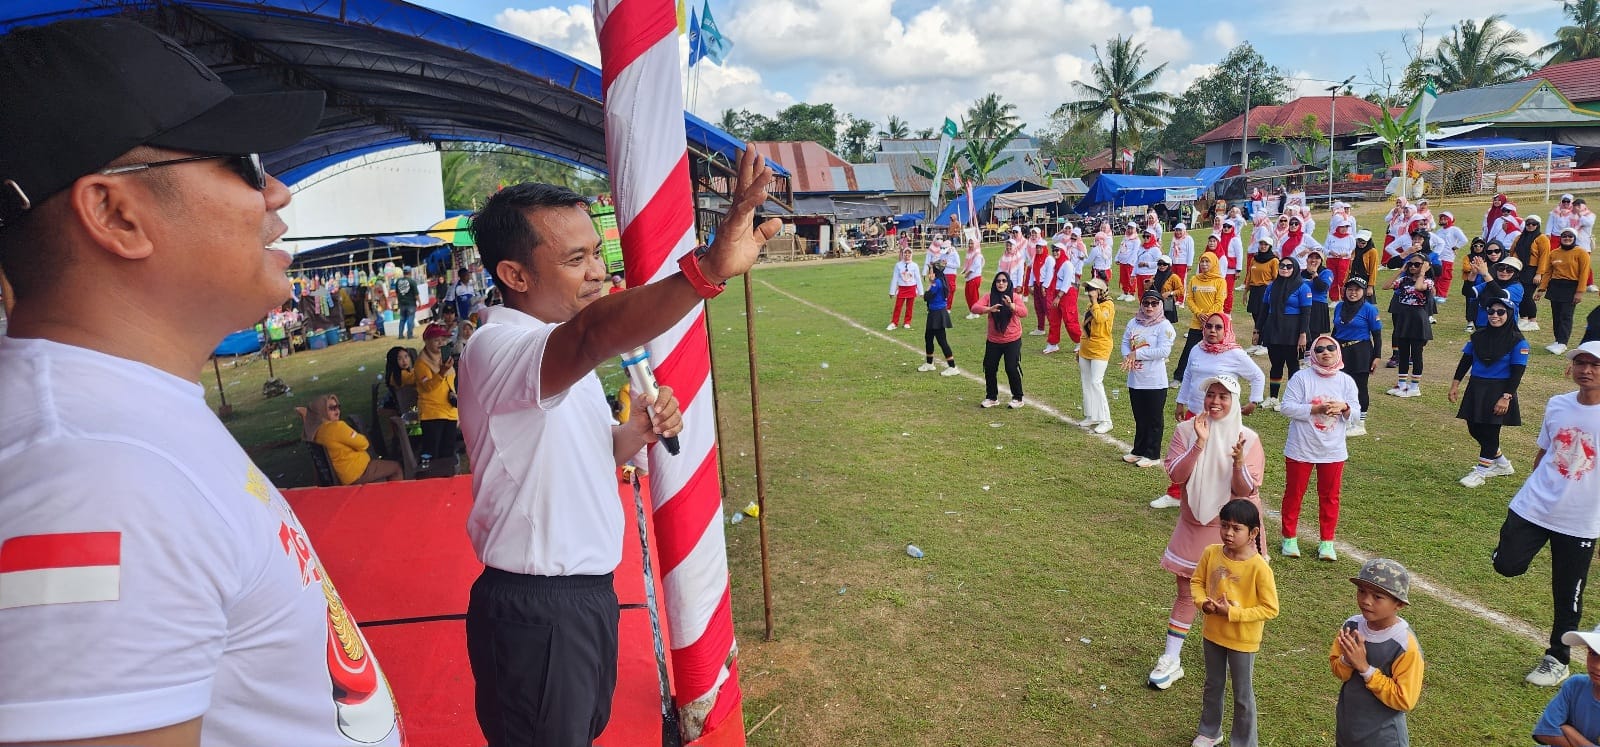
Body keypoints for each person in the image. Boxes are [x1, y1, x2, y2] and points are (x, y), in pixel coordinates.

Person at [0, 17, 401, 745]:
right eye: (244, 162)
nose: (276, 191)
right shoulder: (93, 475)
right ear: (116, 213)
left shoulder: (120, 417)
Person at [457, 148, 776, 743]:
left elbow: (577, 455)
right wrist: (706, 268)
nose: (598, 272)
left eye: (596, 252)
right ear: (515, 276)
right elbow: (596, 331)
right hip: (538, 607)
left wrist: (635, 433)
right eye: (576, 259)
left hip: (583, 598)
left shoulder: (555, 354)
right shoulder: (499, 347)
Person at [1147, 375, 1267, 693]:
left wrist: (1239, 461)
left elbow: (1245, 491)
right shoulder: (1186, 431)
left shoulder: (1249, 439)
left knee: (1231, 594)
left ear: (1234, 400)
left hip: (1231, 529)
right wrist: (1199, 443)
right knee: (1187, 593)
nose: (1215, 401)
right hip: (1193, 524)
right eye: (1210, 394)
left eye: (1223, 396)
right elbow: (1175, 474)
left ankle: (1231, 654)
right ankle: (1171, 659)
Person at [1492, 340, 1600, 688]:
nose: (1586, 370)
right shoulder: (1558, 404)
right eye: (1581, 363)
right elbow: (1544, 451)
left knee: (1567, 590)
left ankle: (1557, 658)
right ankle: (1508, 549)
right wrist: (1535, 483)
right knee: (1507, 564)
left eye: (1594, 365)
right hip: (1536, 504)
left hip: (1580, 519)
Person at [1189, 498, 1279, 747]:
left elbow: (1270, 608)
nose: (1228, 533)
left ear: (1254, 533)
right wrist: (1202, 603)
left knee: (1242, 694)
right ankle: (1209, 732)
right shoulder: (1211, 553)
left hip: (1243, 641)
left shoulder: (1260, 568)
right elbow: (1196, 582)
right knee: (1213, 684)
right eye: (1224, 526)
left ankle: (1244, 742)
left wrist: (1233, 614)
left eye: (1236, 528)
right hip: (1213, 634)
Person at [1279, 334, 1361, 560]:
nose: (1326, 353)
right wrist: (1313, 410)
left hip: (1332, 451)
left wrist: (1344, 407)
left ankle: (1327, 543)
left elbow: (1356, 413)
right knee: (1294, 494)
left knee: (1330, 497)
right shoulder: (1301, 378)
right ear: (1312, 354)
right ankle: (1289, 538)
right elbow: (1286, 407)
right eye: (1320, 349)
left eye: (1330, 348)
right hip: (1301, 449)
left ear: (1338, 353)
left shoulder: (1346, 381)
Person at [1332, 558, 1424, 747]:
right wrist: (1347, 661)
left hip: (1383, 739)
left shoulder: (1404, 645)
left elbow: (1405, 699)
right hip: (1348, 730)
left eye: (1377, 597)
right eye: (1361, 591)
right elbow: (1337, 669)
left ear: (1399, 605)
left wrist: (1365, 669)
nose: (1366, 601)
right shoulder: (1351, 626)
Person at [1452, 291, 1531, 489]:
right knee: (1474, 427)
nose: (1495, 315)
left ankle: (1481, 472)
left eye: (1500, 312)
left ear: (1510, 314)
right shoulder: (1478, 336)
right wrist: (1455, 384)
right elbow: (1466, 361)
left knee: (1490, 432)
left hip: (1500, 389)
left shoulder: (1518, 342)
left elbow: (1517, 373)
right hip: (1477, 386)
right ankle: (1502, 464)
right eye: (1491, 311)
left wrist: (1506, 397)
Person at [1123, 289, 1178, 466]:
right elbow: (1125, 342)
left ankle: (1152, 454)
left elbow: (1163, 351)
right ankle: (1138, 450)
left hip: (1154, 380)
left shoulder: (1164, 326)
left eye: (1154, 303)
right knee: (1140, 417)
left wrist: (1136, 354)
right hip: (1135, 379)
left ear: (1160, 305)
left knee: (1154, 418)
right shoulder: (1133, 322)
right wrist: (1127, 355)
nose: (1149, 307)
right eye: (1146, 303)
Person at [305, 394, 404, 485]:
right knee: (396, 468)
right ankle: (397, 499)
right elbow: (364, 444)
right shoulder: (337, 427)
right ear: (322, 411)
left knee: (382, 472)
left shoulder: (317, 431)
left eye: (338, 407)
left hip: (345, 474)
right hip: (358, 472)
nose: (337, 411)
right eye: (332, 408)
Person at [1254, 256, 1312, 410]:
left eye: (1288, 266)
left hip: (1293, 331)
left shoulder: (1303, 287)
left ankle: (1292, 400)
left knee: (1293, 366)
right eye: (1282, 266)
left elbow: (1306, 313)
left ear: (1295, 269)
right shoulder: (1272, 286)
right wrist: (1257, 330)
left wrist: (1303, 334)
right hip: (1274, 328)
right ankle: (1273, 397)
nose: (1284, 269)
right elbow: (1264, 310)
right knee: (1276, 365)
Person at [1534, 622, 1600, 746]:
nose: (1596, 665)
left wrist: (1569, 731)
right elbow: (1544, 732)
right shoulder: (1575, 685)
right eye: (1593, 653)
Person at [1332, 278, 1383, 436]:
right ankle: (1345, 419)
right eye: (1350, 289)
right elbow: (1336, 329)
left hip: (1360, 351)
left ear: (1363, 292)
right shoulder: (1340, 306)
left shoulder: (1369, 309)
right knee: (1341, 386)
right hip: (1341, 350)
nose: (1353, 293)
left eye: (1357, 290)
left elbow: (1377, 335)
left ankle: (1360, 423)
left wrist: (1377, 356)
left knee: (1359, 387)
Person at [974, 272, 1028, 408]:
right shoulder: (989, 297)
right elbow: (974, 308)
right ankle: (991, 397)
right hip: (994, 340)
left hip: (1012, 339)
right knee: (990, 367)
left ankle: (1018, 398)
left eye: (1004, 281)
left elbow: (1024, 312)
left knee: (1011, 368)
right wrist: (989, 309)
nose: (1001, 283)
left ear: (1008, 283)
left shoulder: (1014, 296)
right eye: (998, 281)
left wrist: (1011, 306)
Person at [1173, 253, 1228, 383]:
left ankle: (1217, 377)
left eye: (1207, 262)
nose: (1204, 264)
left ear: (1213, 263)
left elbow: (1220, 301)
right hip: (1197, 322)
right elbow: (1190, 299)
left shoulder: (1220, 281)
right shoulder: (1194, 280)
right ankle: (1178, 377)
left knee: (1215, 350)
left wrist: (1209, 318)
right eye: (1202, 261)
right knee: (1189, 349)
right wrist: (1198, 313)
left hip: (1214, 323)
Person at [1536, 228, 1592, 356]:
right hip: (1556, 286)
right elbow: (1548, 272)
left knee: (1566, 316)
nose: (1567, 238)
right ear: (1561, 238)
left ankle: (1563, 342)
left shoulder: (1581, 253)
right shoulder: (1554, 253)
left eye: (1570, 236)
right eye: (1564, 236)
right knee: (1556, 315)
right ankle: (1557, 340)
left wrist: (1580, 292)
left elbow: (1584, 273)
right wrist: (1541, 289)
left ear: (1574, 238)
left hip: (1571, 286)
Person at [1386, 254, 1434, 398]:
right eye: (1411, 264)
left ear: (1425, 265)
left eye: (1417, 264)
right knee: (1403, 353)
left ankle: (1414, 387)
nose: (1413, 267)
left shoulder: (1428, 281)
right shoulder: (1404, 280)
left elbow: (1419, 287)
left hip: (1418, 318)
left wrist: (1423, 272)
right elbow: (1386, 286)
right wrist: (1400, 271)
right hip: (1404, 317)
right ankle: (1402, 385)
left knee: (1417, 354)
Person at [415, 322, 460, 472]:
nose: (441, 343)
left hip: (449, 411)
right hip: (432, 413)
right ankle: (430, 480)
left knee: (448, 450)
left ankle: (446, 480)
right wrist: (441, 372)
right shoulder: (421, 363)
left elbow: (451, 383)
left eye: (443, 339)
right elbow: (428, 387)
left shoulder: (444, 359)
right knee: (432, 451)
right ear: (427, 342)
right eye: (436, 339)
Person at [1079, 277, 1116, 433]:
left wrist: (1095, 302)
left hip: (1101, 348)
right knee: (1087, 382)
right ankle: (1092, 415)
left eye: (1093, 289)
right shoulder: (1090, 305)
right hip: (1086, 348)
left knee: (1096, 382)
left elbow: (1100, 319)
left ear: (1101, 291)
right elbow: (1085, 328)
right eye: (1088, 289)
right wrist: (1080, 348)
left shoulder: (1108, 305)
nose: (1089, 292)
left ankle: (1106, 420)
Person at [916, 260, 960, 376]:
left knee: (942, 340)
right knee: (928, 337)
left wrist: (929, 284)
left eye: (930, 270)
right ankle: (930, 363)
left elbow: (926, 296)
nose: (929, 272)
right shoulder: (940, 280)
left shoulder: (937, 283)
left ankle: (952, 366)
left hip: (938, 314)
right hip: (934, 313)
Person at [1513, 215, 1551, 332]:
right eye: (1528, 223)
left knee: (1527, 295)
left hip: (1533, 270)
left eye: (1533, 224)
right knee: (1520, 294)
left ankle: (1533, 320)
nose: (1530, 226)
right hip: (1520, 269)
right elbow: (1513, 251)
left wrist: (1539, 273)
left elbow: (1544, 257)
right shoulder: (1520, 237)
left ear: (1538, 225)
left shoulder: (1542, 238)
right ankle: (1523, 318)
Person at [1243, 239, 1278, 357]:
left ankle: (1265, 344)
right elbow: (1249, 275)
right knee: (1256, 316)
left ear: (1270, 246)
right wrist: (1245, 291)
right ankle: (1256, 343)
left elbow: (1276, 278)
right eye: (1261, 244)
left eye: (1265, 244)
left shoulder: (1273, 260)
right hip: (1254, 290)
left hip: (1266, 290)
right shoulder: (1254, 258)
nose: (1263, 246)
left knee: (1265, 318)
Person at [1433, 211, 1467, 302]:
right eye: (1441, 218)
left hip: (1447, 257)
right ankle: (1435, 293)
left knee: (1445, 276)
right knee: (1436, 275)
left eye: (1445, 218)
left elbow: (1464, 240)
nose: (1443, 220)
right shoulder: (1439, 231)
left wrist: (1455, 247)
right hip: (1437, 256)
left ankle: (1442, 295)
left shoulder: (1455, 229)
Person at [888, 246, 921, 330]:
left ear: (911, 254)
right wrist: (892, 291)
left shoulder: (914, 265)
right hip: (902, 288)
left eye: (909, 253)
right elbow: (895, 278)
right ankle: (894, 323)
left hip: (911, 288)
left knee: (910, 307)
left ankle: (907, 322)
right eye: (905, 253)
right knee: (898, 306)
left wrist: (921, 292)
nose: (907, 255)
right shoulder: (898, 265)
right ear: (903, 254)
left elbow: (918, 278)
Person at [1303, 250, 1334, 338]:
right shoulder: (1302, 273)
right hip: (1303, 304)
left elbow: (1322, 288)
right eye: (1311, 257)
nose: (1313, 260)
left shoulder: (1326, 272)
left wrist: (1315, 275)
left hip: (1317, 306)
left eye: (1317, 258)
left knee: (1313, 335)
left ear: (1321, 260)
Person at [962, 237, 986, 320]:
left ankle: (975, 312)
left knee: (973, 295)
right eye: (969, 243)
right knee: (968, 294)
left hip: (974, 277)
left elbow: (975, 266)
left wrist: (967, 273)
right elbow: (967, 264)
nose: (970, 245)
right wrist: (965, 271)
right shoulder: (969, 253)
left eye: (972, 243)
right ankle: (973, 311)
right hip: (970, 277)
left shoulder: (977, 254)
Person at [395, 270, 420, 339]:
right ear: (410, 273)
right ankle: (410, 335)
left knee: (402, 319)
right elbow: (416, 294)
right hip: (411, 303)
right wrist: (419, 302)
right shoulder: (412, 282)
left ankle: (400, 335)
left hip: (402, 304)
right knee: (410, 319)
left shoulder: (398, 281)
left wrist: (399, 301)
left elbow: (397, 293)